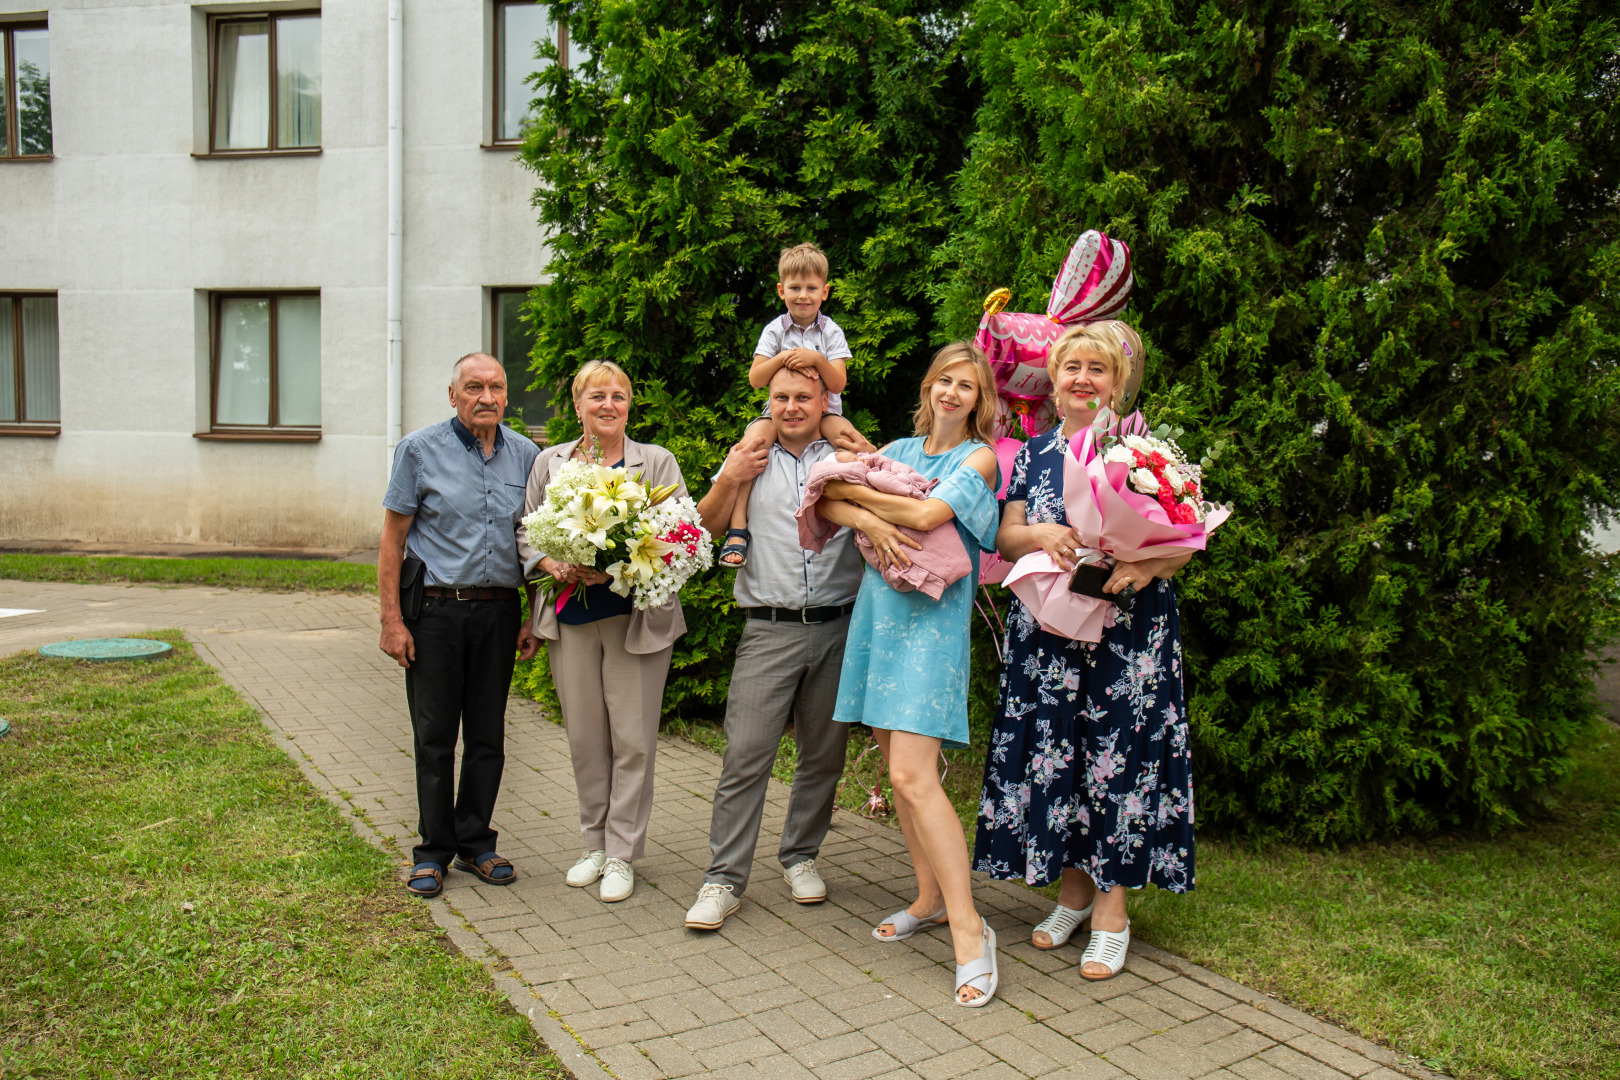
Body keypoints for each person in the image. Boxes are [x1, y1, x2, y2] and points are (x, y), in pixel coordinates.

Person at [973, 321, 1196, 981]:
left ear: (1117, 382)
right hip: (1050, 633)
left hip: (1129, 639)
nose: (1082, 380)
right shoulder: (1035, 454)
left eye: (1097, 369)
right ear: (1055, 379)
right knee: (1061, 756)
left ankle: (1112, 911)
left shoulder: (1146, 452)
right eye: (1071, 368)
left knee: (1119, 762)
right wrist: (1039, 530)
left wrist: (1146, 568)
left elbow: (1185, 538)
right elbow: (1007, 537)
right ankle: (1071, 894)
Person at [813, 342, 1003, 1007]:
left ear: (980, 400)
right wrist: (864, 510)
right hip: (879, 620)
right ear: (927, 387)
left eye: (968, 386)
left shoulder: (977, 458)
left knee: (913, 778)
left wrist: (863, 500)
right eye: (945, 381)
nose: (953, 393)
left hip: (930, 625)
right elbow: (829, 498)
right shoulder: (897, 448)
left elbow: (926, 516)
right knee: (897, 770)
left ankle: (971, 932)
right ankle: (927, 898)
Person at [681, 366, 865, 930]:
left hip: (839, 625)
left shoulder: (845, 456)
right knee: (746, 755)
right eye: (780, 397)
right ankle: (724, 879)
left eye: (803, 397)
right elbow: (706, 527)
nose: (791, 407)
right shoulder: (748, 455)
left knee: (823, 755)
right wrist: (728, 478)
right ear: (767, 404)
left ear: (823, 401)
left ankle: (800, 856)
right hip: (769, 627)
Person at [516, 360, 689, 904]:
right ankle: (594, 843)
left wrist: (614, 566)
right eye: (596, 397)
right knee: (586, 739)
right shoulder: (551, 461)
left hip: (633, 619)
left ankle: (622, 853)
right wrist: (553, 565)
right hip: (570, 618)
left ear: (629, 404)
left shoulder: (655, 463)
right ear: (577, 405)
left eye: (617, 395)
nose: (607, 405)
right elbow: (527, 532)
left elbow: (679, 537)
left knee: (633, 741)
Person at [379, 352, 542, 899]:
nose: (487, 398)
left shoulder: (526, 455)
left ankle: (476, 843)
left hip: (499, 612)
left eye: (496, 387)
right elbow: (392, 540)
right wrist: (391, 620)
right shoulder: (419, 451)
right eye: (474, 387)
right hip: (435, 613)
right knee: (433, 736)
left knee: (488, 735)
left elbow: (538, 541)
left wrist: (534, 617)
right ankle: (433, 851)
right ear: (453, 395)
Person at [717, 242, 874, 569]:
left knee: (854, 445)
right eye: (795, 288)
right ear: (781, 290)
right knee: (751, 448)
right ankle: (737, 528)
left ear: (825, 291)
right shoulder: (775, 330)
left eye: (811, 288)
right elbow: (757, 379)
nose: (803, 295)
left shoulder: (831, 332)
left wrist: (817, 358)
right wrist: (782, 359)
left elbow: (838, 384)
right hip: (778, 414)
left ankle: (885, 498)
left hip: (826, 410)